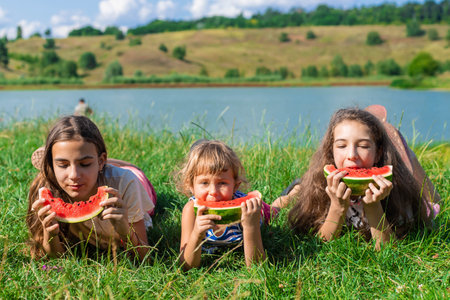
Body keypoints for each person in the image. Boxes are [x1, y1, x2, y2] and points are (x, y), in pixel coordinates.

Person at [283, 108, 438, 249]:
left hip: (406, 177)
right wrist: (337, 207)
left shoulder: (398, 190)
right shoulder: (319, 186)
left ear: (378, 153)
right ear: (331, 152)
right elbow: (321, 245)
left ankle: (397, 140)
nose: (352, 155)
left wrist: (373, 206)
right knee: (296, 191)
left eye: (363, 146)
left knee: (433, 199)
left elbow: (388, 251)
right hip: (304, 185)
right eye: (342, 146)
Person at [27, 115, 155, 261]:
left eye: (85, 163)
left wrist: (125, 230)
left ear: (101, 161)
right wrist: (50, 234)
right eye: (63, 164)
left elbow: (145, 258)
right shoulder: (46, 189)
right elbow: (55, 258)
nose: (74, 175)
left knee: (136, 175)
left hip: (135, 180)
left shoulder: (126, 183)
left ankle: (119, 164)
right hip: (99, 172)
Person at [177, 140, 275, 270]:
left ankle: (291, 193)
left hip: (257, 213)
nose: (213, 192)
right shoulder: (190, 211)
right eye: (204, 183)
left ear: (235, 185)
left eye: (222, 183)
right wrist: (196, 235)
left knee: (274, 210)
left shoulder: (245, 209)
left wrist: (251, 227)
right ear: (191, 186)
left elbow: (257, 267)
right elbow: (186, 266)